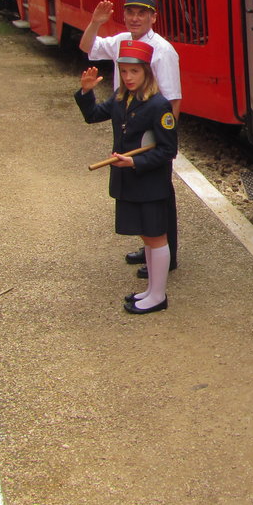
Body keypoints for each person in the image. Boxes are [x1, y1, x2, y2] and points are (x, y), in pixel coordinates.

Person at [80, 0, 182, 275]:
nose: (135, 18)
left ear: (153, 17)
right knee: (140, 196)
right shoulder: (121, 40)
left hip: (151, 133)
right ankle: (151, 246)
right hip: (130, 123)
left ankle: (167, 255)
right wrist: (96, 22)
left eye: (142, 13)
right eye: (130, 13)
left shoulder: (163, 50)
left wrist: (162, 140)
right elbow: (88, 47)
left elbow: (173, 99)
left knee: (159, 197)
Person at [74, 40, 178, 314]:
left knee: (156, 237)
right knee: (146, 237)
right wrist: (86, 93)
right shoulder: (121, 98)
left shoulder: (159, 105)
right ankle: (151, 291)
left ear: (147, 72)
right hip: (130, 182)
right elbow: (93, 115)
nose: (128, 77)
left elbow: (168, 150)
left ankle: (158, 296)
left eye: (134, 71)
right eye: (124, 71)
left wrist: (135, 161)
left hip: (150, 183)